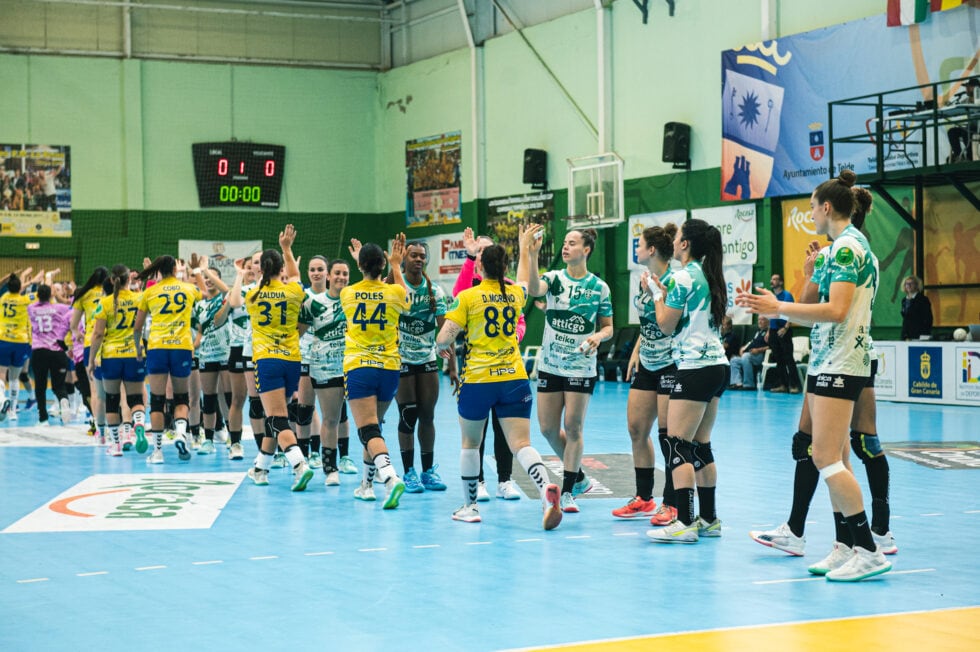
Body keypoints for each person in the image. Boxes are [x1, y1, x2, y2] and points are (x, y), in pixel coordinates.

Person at [737, 170, 891, 582]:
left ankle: (869, 550)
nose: (810, 215)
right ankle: (846, 546)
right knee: (834, 455)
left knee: (824, 455)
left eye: (811, 208)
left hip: (841, 362)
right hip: (830, 360)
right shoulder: (841, 249)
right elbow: (814, 306)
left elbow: (837, 311)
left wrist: (778, 309)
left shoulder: (846, 249)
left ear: (827, 208)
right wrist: (800, 282)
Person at [436, 224, 562, 528]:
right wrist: (524, 248)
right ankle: (546, 490)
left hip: (479, 380)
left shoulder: (468, 297)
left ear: (479, 265)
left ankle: (470, 506)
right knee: (521, 443)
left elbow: (443, 338)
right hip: (514, 379)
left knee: (470, 442)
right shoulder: (515, 295)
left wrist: (443, 347)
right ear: (503, 267)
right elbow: (522, 279)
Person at [645, 219, 729, 544]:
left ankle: (683, 521)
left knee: (676, 443)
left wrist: (654, 293)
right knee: (700, 444)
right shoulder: (710, 276)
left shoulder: (682, 275)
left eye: (678, 236)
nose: (674, 239)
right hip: (718, 366)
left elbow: (666, 325)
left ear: (685, 244)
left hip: (694, 367)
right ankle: (709, 519)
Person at [526, 227, 614, 513]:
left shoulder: (599, 288)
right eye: (564, 243)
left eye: (572, 243)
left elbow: (608, 327)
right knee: (548, 428)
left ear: (586, 250)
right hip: (551, 365)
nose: (565, 247)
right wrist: (532, 254)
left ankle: (567, 492)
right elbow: (533, 289)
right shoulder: (553, 280)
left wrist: (598, 337)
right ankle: (579, 478)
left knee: (573, 428)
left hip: (580, 367)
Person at [233, 225, 314, 491]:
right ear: (280, 269)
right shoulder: (293, 291)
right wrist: (287, 249)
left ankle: (299, 463)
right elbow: (295, 275)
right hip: (292, 360)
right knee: (275, 417)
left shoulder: (253, 295)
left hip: (267, 360)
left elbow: (237, 299)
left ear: (260, 270)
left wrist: (246, 273)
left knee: (277, 418)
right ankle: (260, 468)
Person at [454, 227, 525, 501]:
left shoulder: (508, 286)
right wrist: (469, 257)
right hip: (476, 366)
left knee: (503, 425)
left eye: (485, 249)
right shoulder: (470, 285)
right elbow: (458, 296)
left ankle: (505, 480)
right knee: (477, 428)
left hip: (506, 364)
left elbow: (519, 318)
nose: (481, 253)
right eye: (478, 249)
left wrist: (515, 336)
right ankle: (479, 481)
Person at [613, 223, 678, 521]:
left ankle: (672, 502)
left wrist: (656, 294)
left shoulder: (674, 281)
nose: (635, 250)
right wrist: (638, 349)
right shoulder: (645, 280)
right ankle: (644, 497)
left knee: (669, 436)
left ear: (652, 250)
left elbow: (670, 322)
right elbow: (648, 322)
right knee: (637, 429)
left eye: (638, 245)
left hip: (671, 363)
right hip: (648, 363)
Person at [340, 236, 410, 509]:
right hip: (389, 368)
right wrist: (396, 266)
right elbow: (405, 298)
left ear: (360, 265)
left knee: (368, 430)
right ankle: (366, 486)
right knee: (374, 429)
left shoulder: (348, 293)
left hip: (360, 367)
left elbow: (365, 287)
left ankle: (390, 478)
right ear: (383, 264)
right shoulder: (394, 293)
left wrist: (363, 259)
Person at [394, 240, 456, 494]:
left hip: (428, 359)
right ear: (404, 260)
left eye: (422, 256)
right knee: (408, 415)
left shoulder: (435, 292)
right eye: (413, 255)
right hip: (402, 360)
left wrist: (452, 366)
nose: (418, 260)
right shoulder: (395, 288)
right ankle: (408, 471)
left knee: (427, 415)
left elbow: (446, 331)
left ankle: (428, 471)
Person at [134, 255, 202, 463]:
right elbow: (205, 294)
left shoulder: (150, 291)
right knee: (182, 397)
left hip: (157, 347)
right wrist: (197, 271)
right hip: (181, 346)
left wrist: (138, 348)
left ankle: (157, 452)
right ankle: (181, 432)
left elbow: (137, 327)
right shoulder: (188, 288)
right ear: (175, 268)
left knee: (157, 400)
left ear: (158, 271)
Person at [298, 257, 354, 486]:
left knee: (360, 417)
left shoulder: (354, 299)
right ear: (329, 276)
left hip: (353, 365)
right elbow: (298, 334)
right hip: (323, 367)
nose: (341, 277)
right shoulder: (313, 302)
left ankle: (368, 464)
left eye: (345, 274)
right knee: (330, 418)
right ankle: (330, 468)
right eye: (337, 273)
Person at [87, 265, 147, 456]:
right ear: (130, 279)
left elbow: (97, 334)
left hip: (111, 357)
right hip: (134, 354)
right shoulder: (139, 299)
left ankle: (116, 445)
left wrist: (91, 360)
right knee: (136, 398)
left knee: (112, 401)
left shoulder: (104, 303)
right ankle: (138, 422)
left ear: (112, 280)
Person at [191, 256, 233, 457]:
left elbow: (227, 290)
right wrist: (193, 346)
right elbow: (200, 330)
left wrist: (204, 271)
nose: (208, 281)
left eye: (212, 278)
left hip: (225, 352)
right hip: (207, 354)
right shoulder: (200, 304)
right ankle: (208, 440)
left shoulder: (226, 297)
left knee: (228, 396)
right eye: (206, 279)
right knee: (208, 398)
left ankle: (233, 436)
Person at [28, 284, 73, 426]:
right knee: (59, 386)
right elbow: (73, 308)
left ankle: (43, 419)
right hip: (57, 352)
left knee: (40, 386)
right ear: (51, 296)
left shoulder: (32, 309)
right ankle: (63, 400)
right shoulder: (59, 308)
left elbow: (34, 302)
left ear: (38, 296)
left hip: (39, 352)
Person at [0, 273, 34, 421]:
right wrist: (37, 279)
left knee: (1, 376)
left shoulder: (3, 298)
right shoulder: (25, 300)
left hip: (4, 340)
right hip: (21, 342)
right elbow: (41, 295)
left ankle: (2, 400)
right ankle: (13, 411)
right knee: (14, 378)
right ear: (21, 288)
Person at [766, 274, 800, 394]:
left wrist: (785, 328)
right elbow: (771, 314)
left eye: (775, 279)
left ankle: (794, 385)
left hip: (784, 330)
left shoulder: (787, 295)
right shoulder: (772, 297)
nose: (772, 281)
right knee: (779, 359)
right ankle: (783, 385)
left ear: (781, 282)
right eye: (772, 279)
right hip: (774, 331)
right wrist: (769, 331)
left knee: (788, 359)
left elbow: (791, 312)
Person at [728, 316, 769, 390]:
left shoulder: (769, 333)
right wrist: (743, 348)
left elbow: (771, 346)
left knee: (746, 356)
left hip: (761, 355)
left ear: (768, 322)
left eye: (762, 320)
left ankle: (749, 384)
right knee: (734, 360)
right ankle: (737, 383)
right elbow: (752, 342)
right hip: (750, 355)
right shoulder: (758, 332)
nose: (759, 322)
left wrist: (758, 350)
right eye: (759, 320)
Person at [946, 78, 979, 163]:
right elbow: (958, 106)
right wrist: (949, 105)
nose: (967, 89)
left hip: (978, 128)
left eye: (969, 87)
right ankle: (958, 157)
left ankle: (970, 157)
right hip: (970, 128)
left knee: (966, 131)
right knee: (952, 132)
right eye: (966, 87)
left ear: (976, 88)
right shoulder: (966, 100)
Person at [900, 275, 932, 341]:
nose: (908, 285)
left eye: (911, 283)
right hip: (906, 335)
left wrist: (924, 335)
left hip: (919, 335)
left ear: (916, 285)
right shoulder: (904, 300)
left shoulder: (923, 300)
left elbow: (928, 318)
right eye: (906, 284)